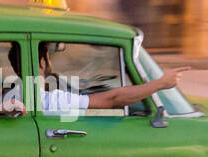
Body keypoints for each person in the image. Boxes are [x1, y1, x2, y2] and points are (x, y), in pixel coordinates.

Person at [37, 42, 188, 113]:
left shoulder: (16, 95)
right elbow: (112, 99)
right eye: (49, 58)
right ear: (43, 63)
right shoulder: (51, 99)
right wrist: (160, 83)